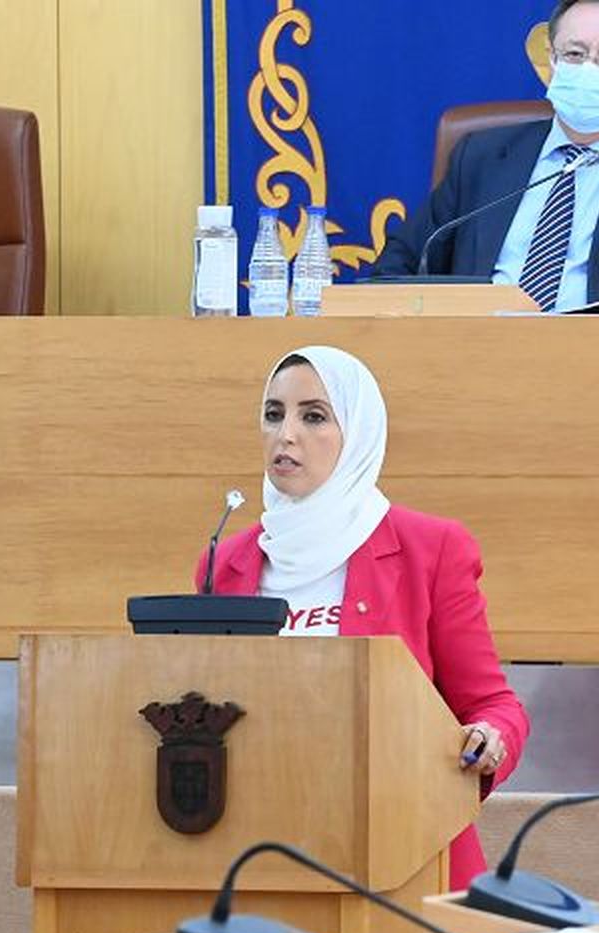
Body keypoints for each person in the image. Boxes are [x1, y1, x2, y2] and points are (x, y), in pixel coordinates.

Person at [196, 345, 530, 890]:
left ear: (358, 432)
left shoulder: (430, 548)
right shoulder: (225, 562)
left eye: (314, 416)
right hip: (259, 852)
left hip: (403, 853)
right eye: (274, 414)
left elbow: (494, 705)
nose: (286, 435)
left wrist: (490, 738)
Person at [374, 0, 599, 313]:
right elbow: (398, 267)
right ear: (552, 61)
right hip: (473, 350)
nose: (589, 69)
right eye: (574, 54)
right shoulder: (481, 156)